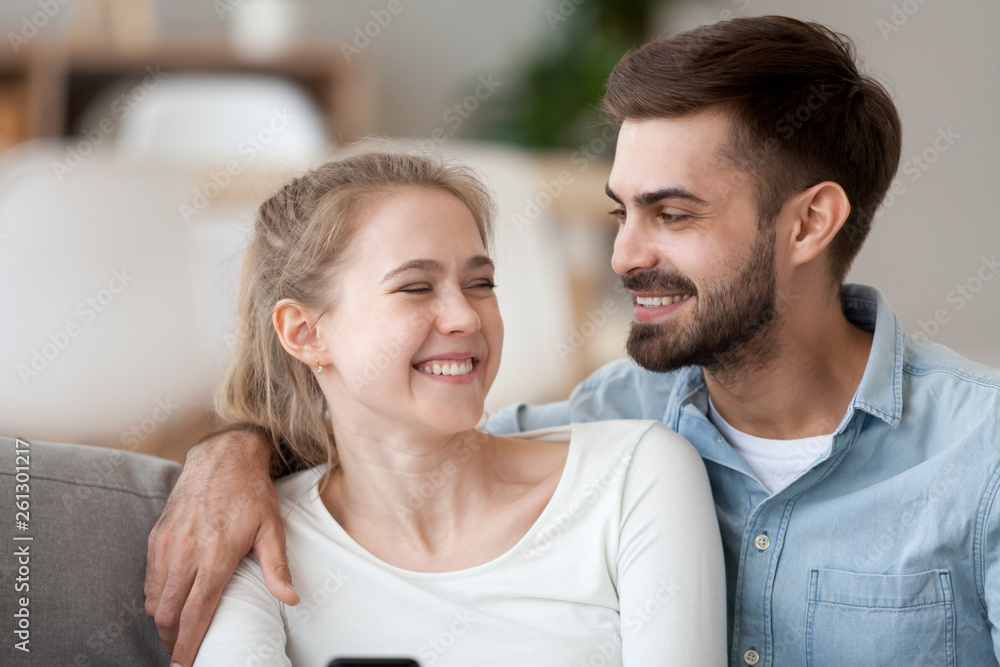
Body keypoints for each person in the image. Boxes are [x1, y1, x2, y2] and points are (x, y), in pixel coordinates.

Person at [145, 15, 1000, 666]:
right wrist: (233, 452)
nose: (626, 256)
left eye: (672, 213)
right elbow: (392, 437)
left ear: (810, 221)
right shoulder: (613, 430)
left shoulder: (980, 451)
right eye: (620, 212)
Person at [181, 151, 726, 666]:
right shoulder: (251, 539)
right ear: (305, 333)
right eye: (416, 287)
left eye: (480, 283)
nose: (464, 316)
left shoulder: (634, 476)